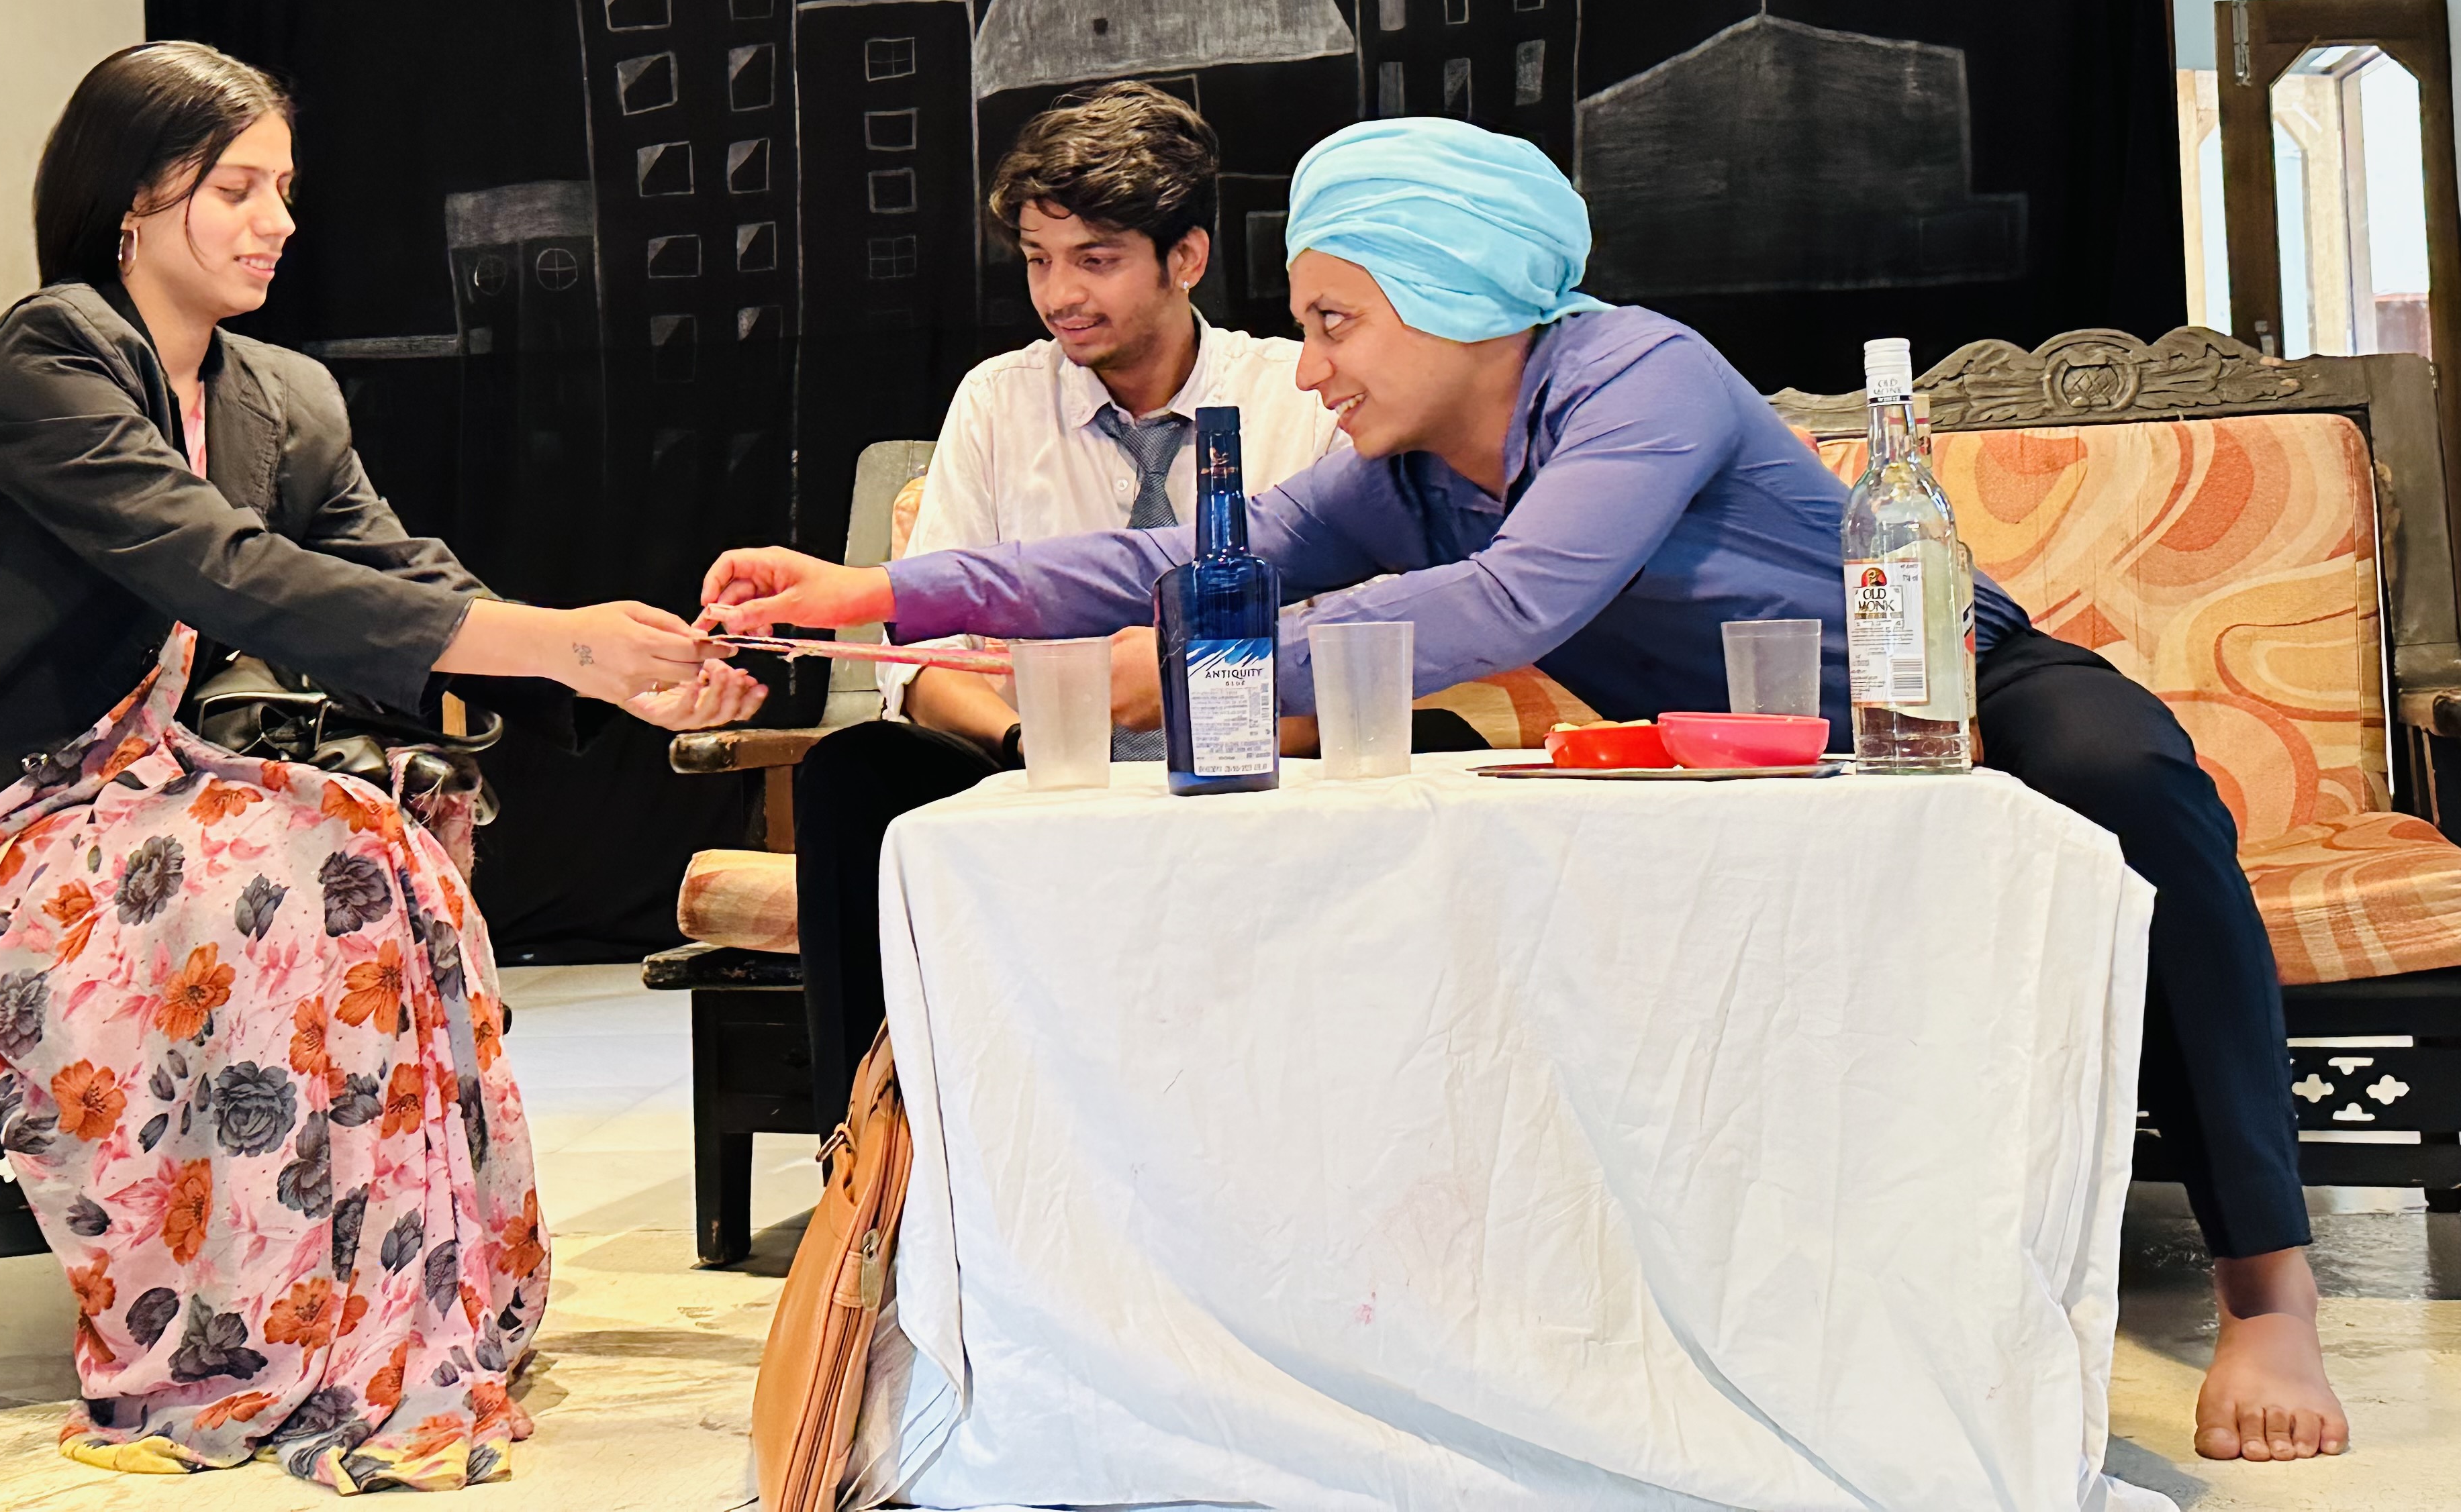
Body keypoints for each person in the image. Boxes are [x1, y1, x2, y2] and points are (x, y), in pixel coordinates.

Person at [703, 115, 2348, 1469]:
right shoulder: (1405, 473)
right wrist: (878, 594)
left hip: (1953, 689)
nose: (1313, 371)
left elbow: (1519, 601)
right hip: (1737, 768)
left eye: (1339, 322)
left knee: (2131, 778)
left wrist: (1181, 669)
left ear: (1457, 297)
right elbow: (1172, 562)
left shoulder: (1640, 375)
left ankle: (2268, 1295)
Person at [0, 42, 759, 1488]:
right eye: (235, 189)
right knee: (273, 874)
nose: (278, 221)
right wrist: (559, 642)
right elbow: (230, 571)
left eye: (283, 188)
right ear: (130, 200)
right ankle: (226, 1342)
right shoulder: (50, 358)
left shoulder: (281, 397)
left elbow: (396, 579)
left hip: (140, 789)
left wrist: (613, 673)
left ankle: (392, 1314)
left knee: (373, 845)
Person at [788, 81, 1349, 1131]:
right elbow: (926, 666)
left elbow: (1349, 640)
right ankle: (867, 1152)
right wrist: (1027, 745)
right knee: (851, 773)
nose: (1059, 296)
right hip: (1035, 772)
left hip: (1262, 769)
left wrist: (1224, 742)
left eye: (1096, 260)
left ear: (1186, 258)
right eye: (1039, 260)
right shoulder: (1000, 401)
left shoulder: (1293, 396)